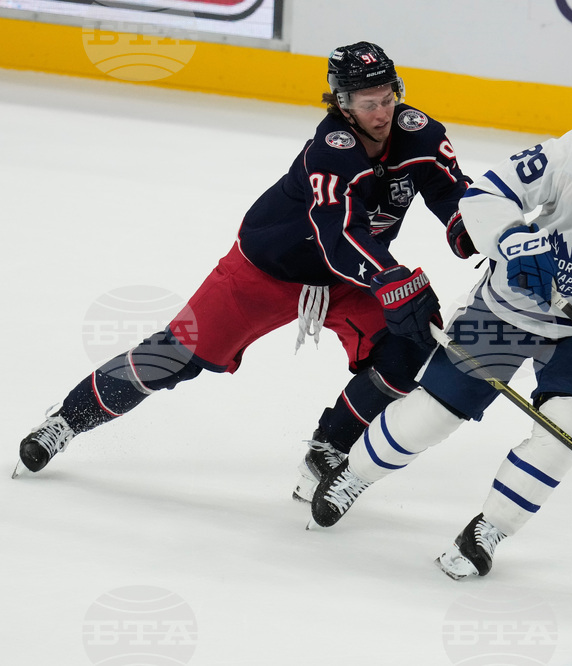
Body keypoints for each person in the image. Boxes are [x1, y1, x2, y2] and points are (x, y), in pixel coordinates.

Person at [14, 41, 476, 501]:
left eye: (388, 97)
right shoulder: (331, 150)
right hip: (266, 272)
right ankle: (66, 420)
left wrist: (474, 231)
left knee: (410, 345)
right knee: (173, 356)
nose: (381, 112)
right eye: (367, 103)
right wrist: (389, 279)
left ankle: (328, 449)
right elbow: (338, 235)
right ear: (342, 103)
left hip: (347, 280)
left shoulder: (420, 134)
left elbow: (453, 192)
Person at [307, 93, 572, 579]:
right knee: (432, 415)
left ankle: (489, 529)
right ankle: (354, 474)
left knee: (568, 434)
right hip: (508, 306)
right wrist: (515, 242)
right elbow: (487, 195)